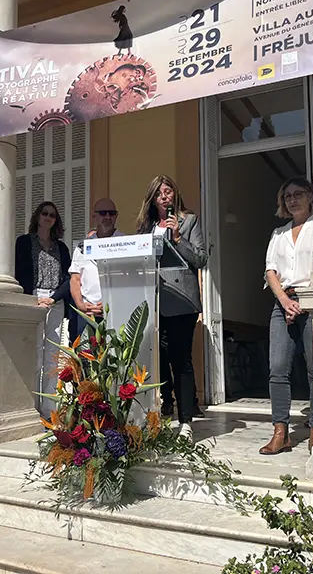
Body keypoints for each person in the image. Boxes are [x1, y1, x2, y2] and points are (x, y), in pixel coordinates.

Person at [260, 177, 313, 456]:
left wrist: (306, 301)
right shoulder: (278, 234)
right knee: (277, 369)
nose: (292, 199)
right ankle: (281, 432)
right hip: (283, 303)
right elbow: (270, 271)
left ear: (310, 197)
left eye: (298, 194)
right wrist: (285, 301)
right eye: (287, 196)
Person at [136, 176, 207, 441]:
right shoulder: (146, 228)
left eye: (169, 191)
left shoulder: (189, 221)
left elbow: (200, 259)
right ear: (153, 199)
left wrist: (178, 238)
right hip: (153, 301)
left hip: (181, 301)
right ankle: (164, 405)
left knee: (181, 359)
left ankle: (186, 421)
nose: (165, 196)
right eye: (159, 193)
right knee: (158, 358)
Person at [15, 201, 72, 418]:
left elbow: (68, 278)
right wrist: (33, 298)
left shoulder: (62, 247)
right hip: (33, 299)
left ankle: (50, 409)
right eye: (45, 213)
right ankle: (31, 405)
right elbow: (19, 272)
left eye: (52, 215)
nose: (48, 217)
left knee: (53, 354)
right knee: (34, 353)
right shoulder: (24, 242)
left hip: (55, 302)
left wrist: (53, 298)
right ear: (37, 217)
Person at [69, 198, 123, 338]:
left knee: (114, 358)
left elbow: (129, 279)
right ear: (94, 217)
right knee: (86, 358)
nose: (107, 217)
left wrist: (109, 303)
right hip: (87, 314)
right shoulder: (82, 247)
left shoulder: (126, 244)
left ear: (116, 216)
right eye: (103, 213)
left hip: (115, 311)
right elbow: (75, 279)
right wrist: (81, 305)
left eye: (111, 213)